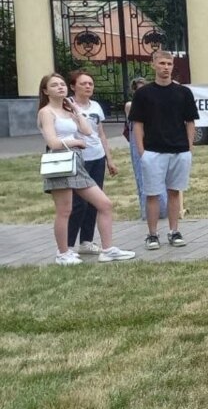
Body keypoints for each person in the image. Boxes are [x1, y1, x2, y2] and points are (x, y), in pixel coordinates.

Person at [38, 74, 136, 266]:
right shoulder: (46, 112)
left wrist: (75, 109)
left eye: (62, 84)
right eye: (54, 85)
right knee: (65, 210)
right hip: (60, 161)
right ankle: (63, 253)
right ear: (45, 91)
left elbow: (88, 131)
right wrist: (75, 142)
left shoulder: (68, 110)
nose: (60, 87)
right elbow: (52, 142)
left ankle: (107, 250)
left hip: (76, 161)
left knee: (104, 204)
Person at [128, 50, 198, 250]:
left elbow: (190, 121)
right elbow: (138, 124)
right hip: (153, 151)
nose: (166, 67)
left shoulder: (183, 92)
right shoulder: (143, 93)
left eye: (169, 64)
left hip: (179, 150)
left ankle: (174, 231)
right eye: (162, 63)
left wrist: (189, 148)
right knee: (152, 194)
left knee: (175, 192)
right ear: (153, 65)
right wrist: (142, 152)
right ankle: (152, 234)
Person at [65, 70, 119, 256]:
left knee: (95, 202)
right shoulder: (68, 106)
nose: (88, 86)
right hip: (79, 159)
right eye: (83, 83)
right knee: (78, 203)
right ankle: (68, 245)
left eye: (91, 83)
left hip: (96, 157)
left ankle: (86, 241)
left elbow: (100, 133)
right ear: (73, 86)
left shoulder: (95, 106)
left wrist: (108, 159)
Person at [124, 77, 167, 222]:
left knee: (161, 173)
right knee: (142, 174)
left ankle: (163, 209)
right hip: (138, 141)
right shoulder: (130, 105)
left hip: (155, 139)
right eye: (138, 89)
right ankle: (147, 211)